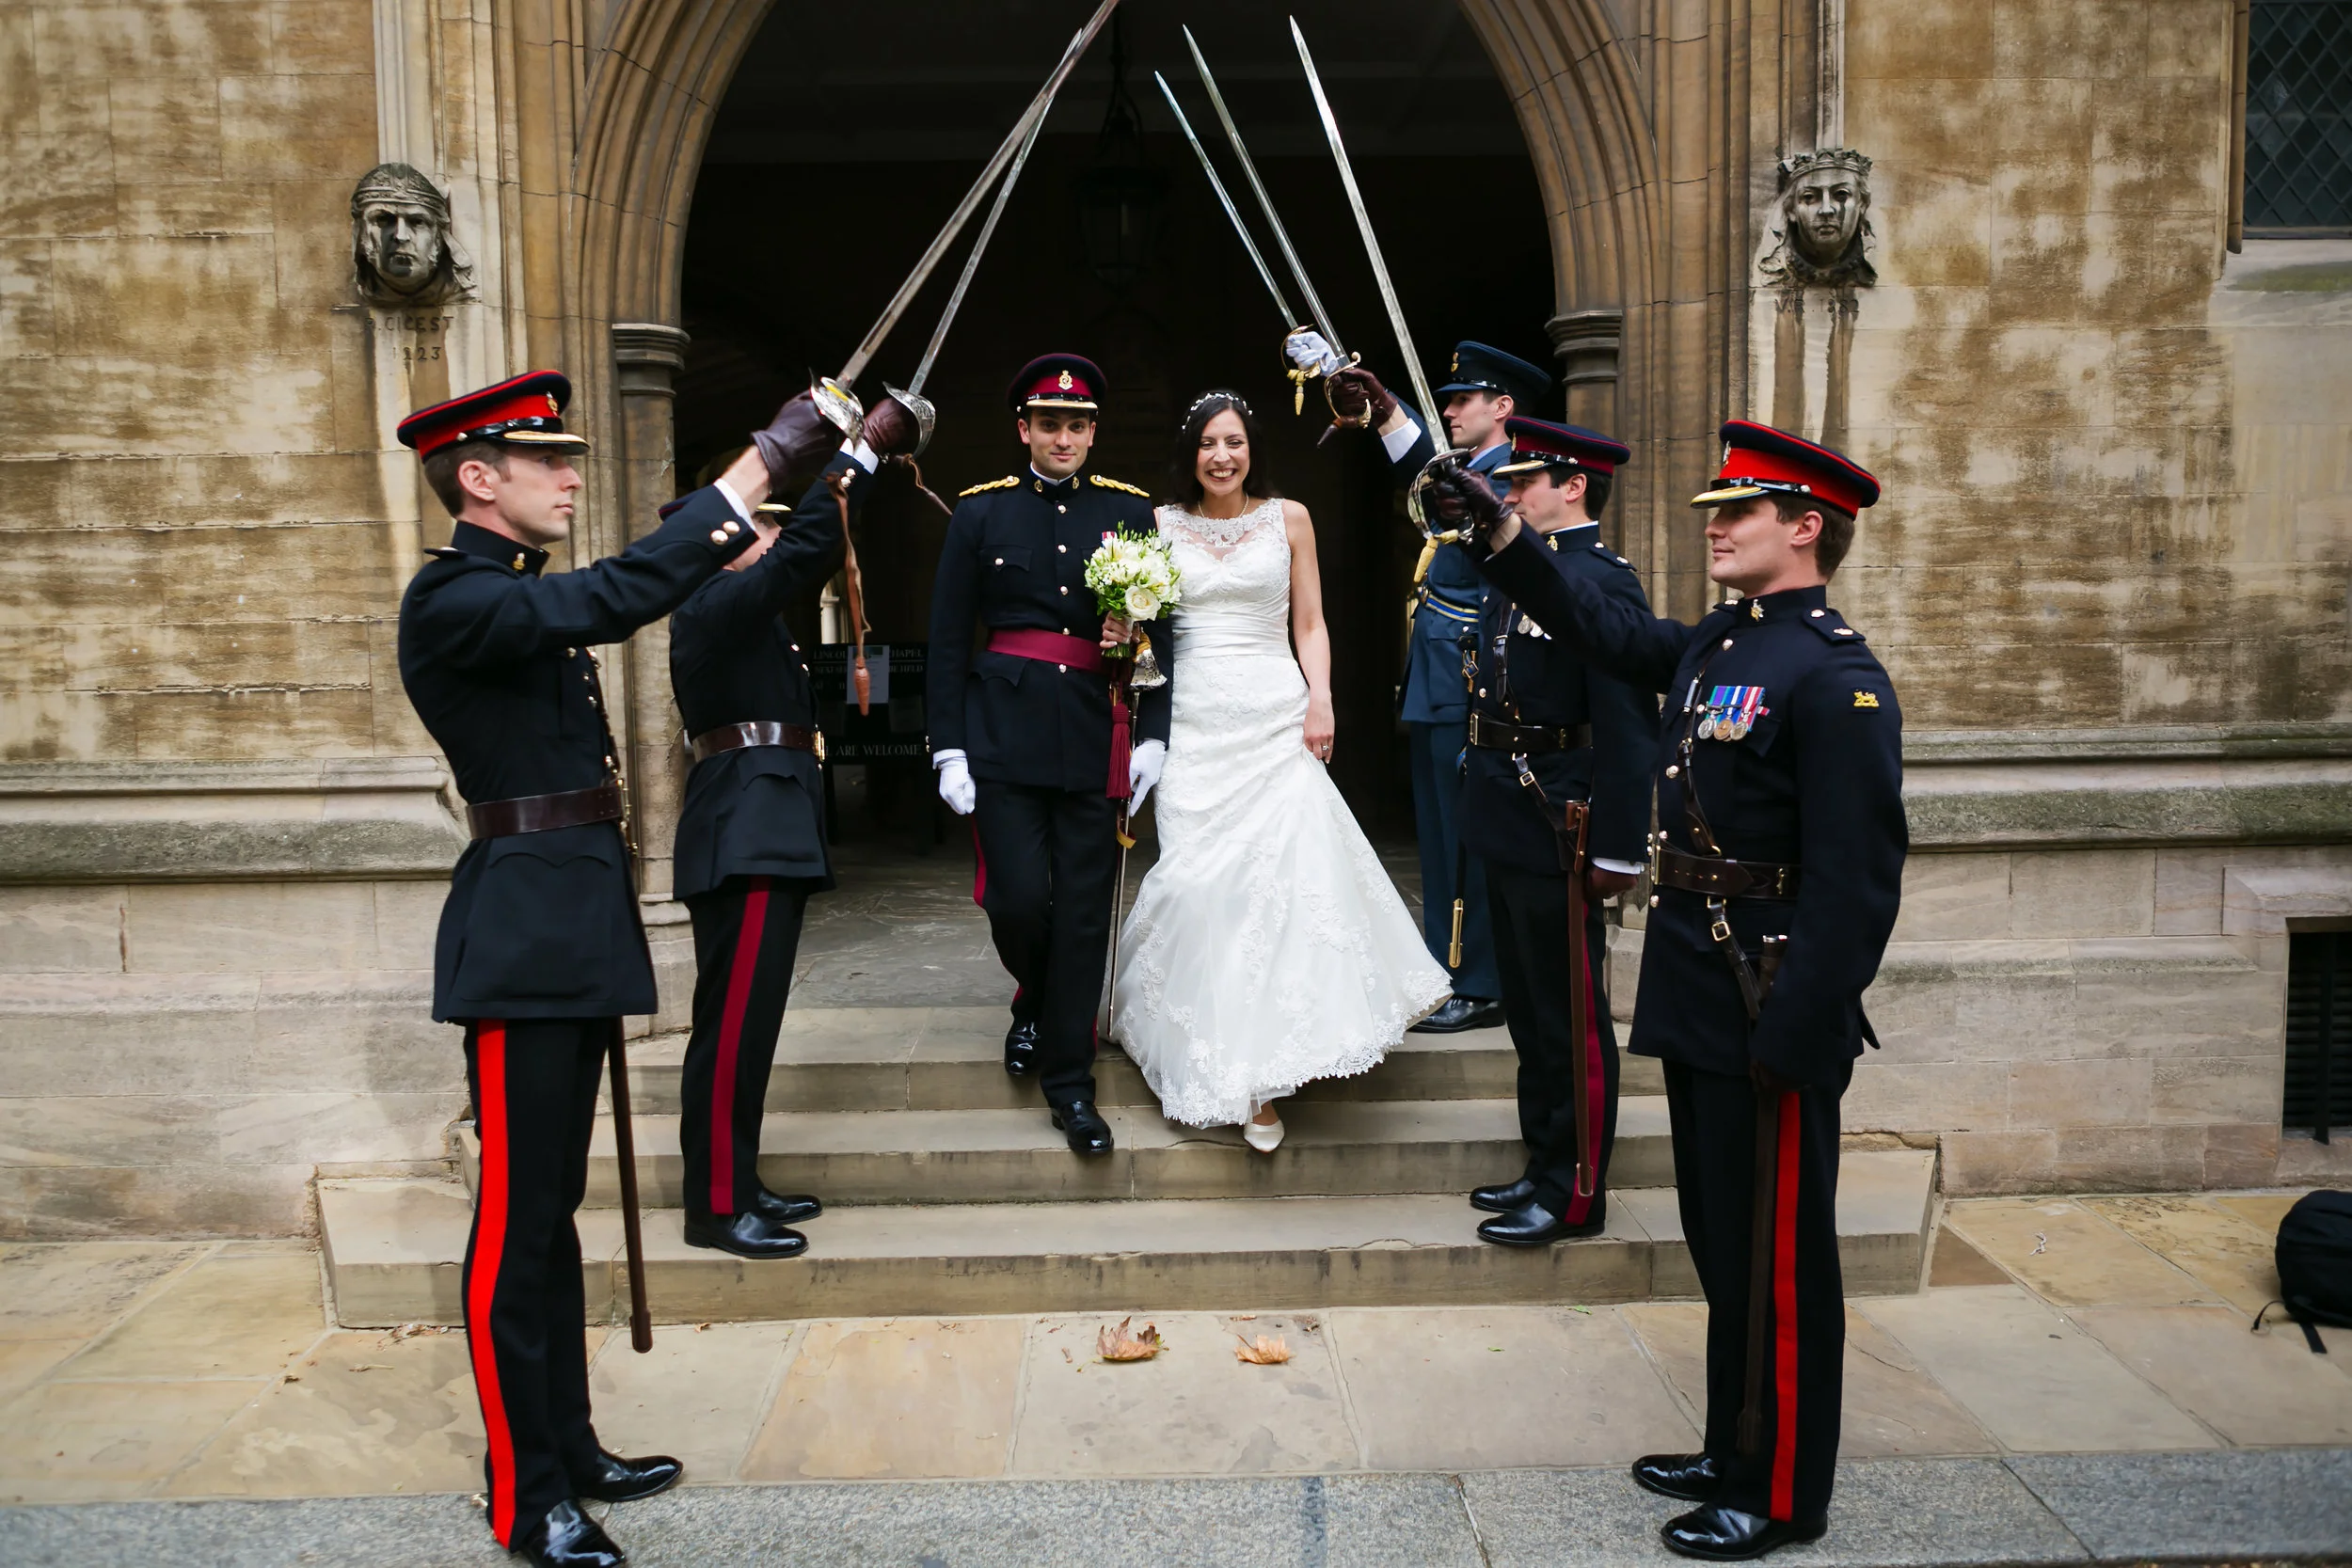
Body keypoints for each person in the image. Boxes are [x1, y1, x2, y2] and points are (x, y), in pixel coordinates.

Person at [1428, 420, 1904, 1560]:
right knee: (1720, 1238)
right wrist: (1499, 535)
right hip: (1699, 991)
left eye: (1739, 511)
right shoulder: (1718, 643)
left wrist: (1801, 1029)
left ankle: (1780, 1490)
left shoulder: (1835, 677)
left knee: (1780, 1260)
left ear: (1806, 527)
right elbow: (1597, 626)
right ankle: (1732, 1443)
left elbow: (1856, 881)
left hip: (1770, 1002)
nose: (1715, 527)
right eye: (1714, 511)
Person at [396, 370, 843, 1568]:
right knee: (516, 1225)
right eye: (545, 460)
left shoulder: (513, 595)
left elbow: (604, 598)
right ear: (477, 477)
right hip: (521, 943)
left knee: (553, 1215)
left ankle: (568, 1444)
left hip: (571, 927)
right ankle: (523, 1494)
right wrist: (766, 458)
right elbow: (620, 593)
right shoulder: (454, 597)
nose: (569, 476)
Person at [1110, 392, 1449, 1149]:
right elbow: (1143, 631)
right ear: (1190, 453)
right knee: (1198, 882)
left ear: (1252, 449)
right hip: (1193, 721)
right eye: (1208, 443)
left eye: (1233, 441)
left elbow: (1311, 621)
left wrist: (1320, 698)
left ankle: (1260, 1074)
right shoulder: (1158, 525)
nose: (1221, 456)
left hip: (1274, 714)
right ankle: (1202, 1039)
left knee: (1277, 884)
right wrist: (1122, 627)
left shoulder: (1289, 517)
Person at [667, 395, 923, 1260]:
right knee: (731, 1029)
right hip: (742, 833)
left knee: (753, 1026)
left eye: (775, 524)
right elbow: (812, 545)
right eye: (761, 526)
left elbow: (804, 552)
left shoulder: (752, 619)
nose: (774, 536)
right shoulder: (712, 602)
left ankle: (737, 1181)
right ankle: (714, 1205)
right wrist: (861, 453)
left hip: (764, 827)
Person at [926, 354, 1172, 1157]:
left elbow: (1160, 633)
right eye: (1049, 423)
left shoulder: (1128, 512)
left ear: (1093, 433)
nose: (1063, 437)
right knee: (1018, 900)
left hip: (1095, 732)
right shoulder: (980, 513)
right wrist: (948, 747)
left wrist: (1155, 733)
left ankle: (1071, 1086)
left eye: (1076, 425)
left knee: (1082, 914)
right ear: (1023, 429)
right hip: (1001, 734)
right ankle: (1033, 997)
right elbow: (946, 640)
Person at [1291, 336, 1554, 1034]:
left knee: (1466, 838)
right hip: (1439, 676)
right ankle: (1450, 970)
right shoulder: (1466, 469)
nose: (1453, 410)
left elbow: (1434, 473)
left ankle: (1478, 979)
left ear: (1503, 407)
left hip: (1470, 677)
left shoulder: (1512, 478)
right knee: (1440, 836)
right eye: (1449, 401)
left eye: (1465, 399)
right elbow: (1427, 465)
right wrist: (1376, 404)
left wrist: (1388, 413)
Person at [1454, 418, 1656, 1245]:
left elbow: (1628, 724)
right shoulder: (1523, 570)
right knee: (1532, 1011)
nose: (1508, 494)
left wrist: (1617, 846)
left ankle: (1577, 1190)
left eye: (1522, 482)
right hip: (1510, 813)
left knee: (1570, 1017)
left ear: (1573, 487)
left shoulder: (1601, 582)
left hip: (1559, 821)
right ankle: (1543, 1160)